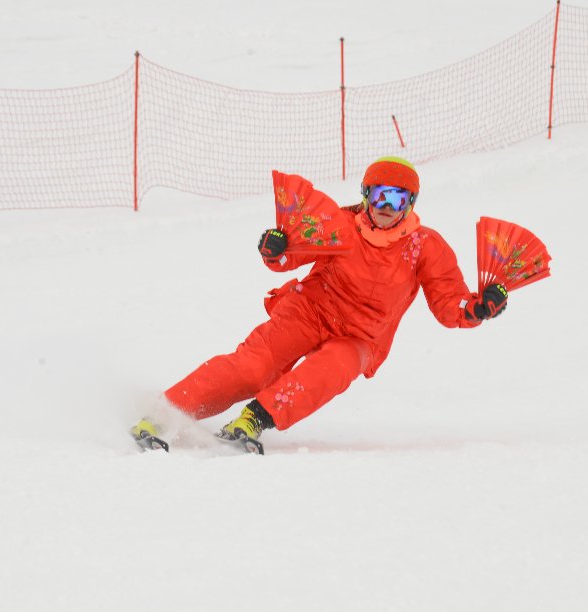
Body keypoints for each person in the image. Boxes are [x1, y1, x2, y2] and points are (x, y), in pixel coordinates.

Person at [131, 156, 508, 451]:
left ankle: (254, 419)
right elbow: (289, 256)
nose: (386, 206)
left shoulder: (425, 246)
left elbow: (450, 303)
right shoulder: (341, 224)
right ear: (366, 195)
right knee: (253, 367)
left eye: (396, 198)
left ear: (410, 203)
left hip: (361, 336)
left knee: (332, 368)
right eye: (379, 194)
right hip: (309, 311)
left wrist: (478, 308)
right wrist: (276, 248)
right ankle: (163, 413)